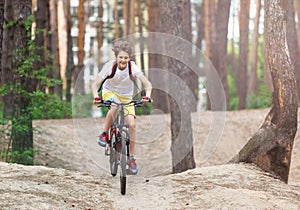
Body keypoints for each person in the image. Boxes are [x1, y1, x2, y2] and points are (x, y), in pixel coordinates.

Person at [91, 41, 152, 175]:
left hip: (127, 96)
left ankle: (130, 158)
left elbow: (148, 85)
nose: (123, 60)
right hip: (109, 92)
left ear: (129, 58)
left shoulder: (132, 67)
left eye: (126, 57)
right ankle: (104, 134)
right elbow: (95, 84)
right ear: (116, 58)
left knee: (132, 124)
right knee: (115, 106)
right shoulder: (109, 66)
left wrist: (147, 96)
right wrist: (96, 96)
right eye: (121, 57)